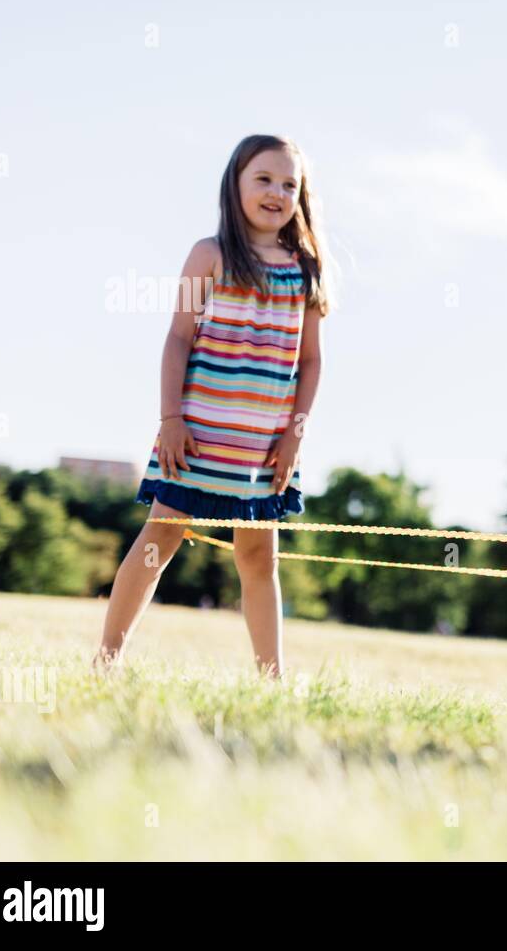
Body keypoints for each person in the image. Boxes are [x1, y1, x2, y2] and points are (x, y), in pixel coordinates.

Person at [94, 134, 332, 678]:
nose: (276, 192)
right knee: (161, 537)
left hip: (263, 448)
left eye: (289, 184)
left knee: (258, 559)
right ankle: (106, 659)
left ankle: (270, 679)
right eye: (264, 179)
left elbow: (312, 362)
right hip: (197, 433)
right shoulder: (210, 255)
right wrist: (170, 419)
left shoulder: (307, 269)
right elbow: (178, 337)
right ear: (236, 185)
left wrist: (294, 436)